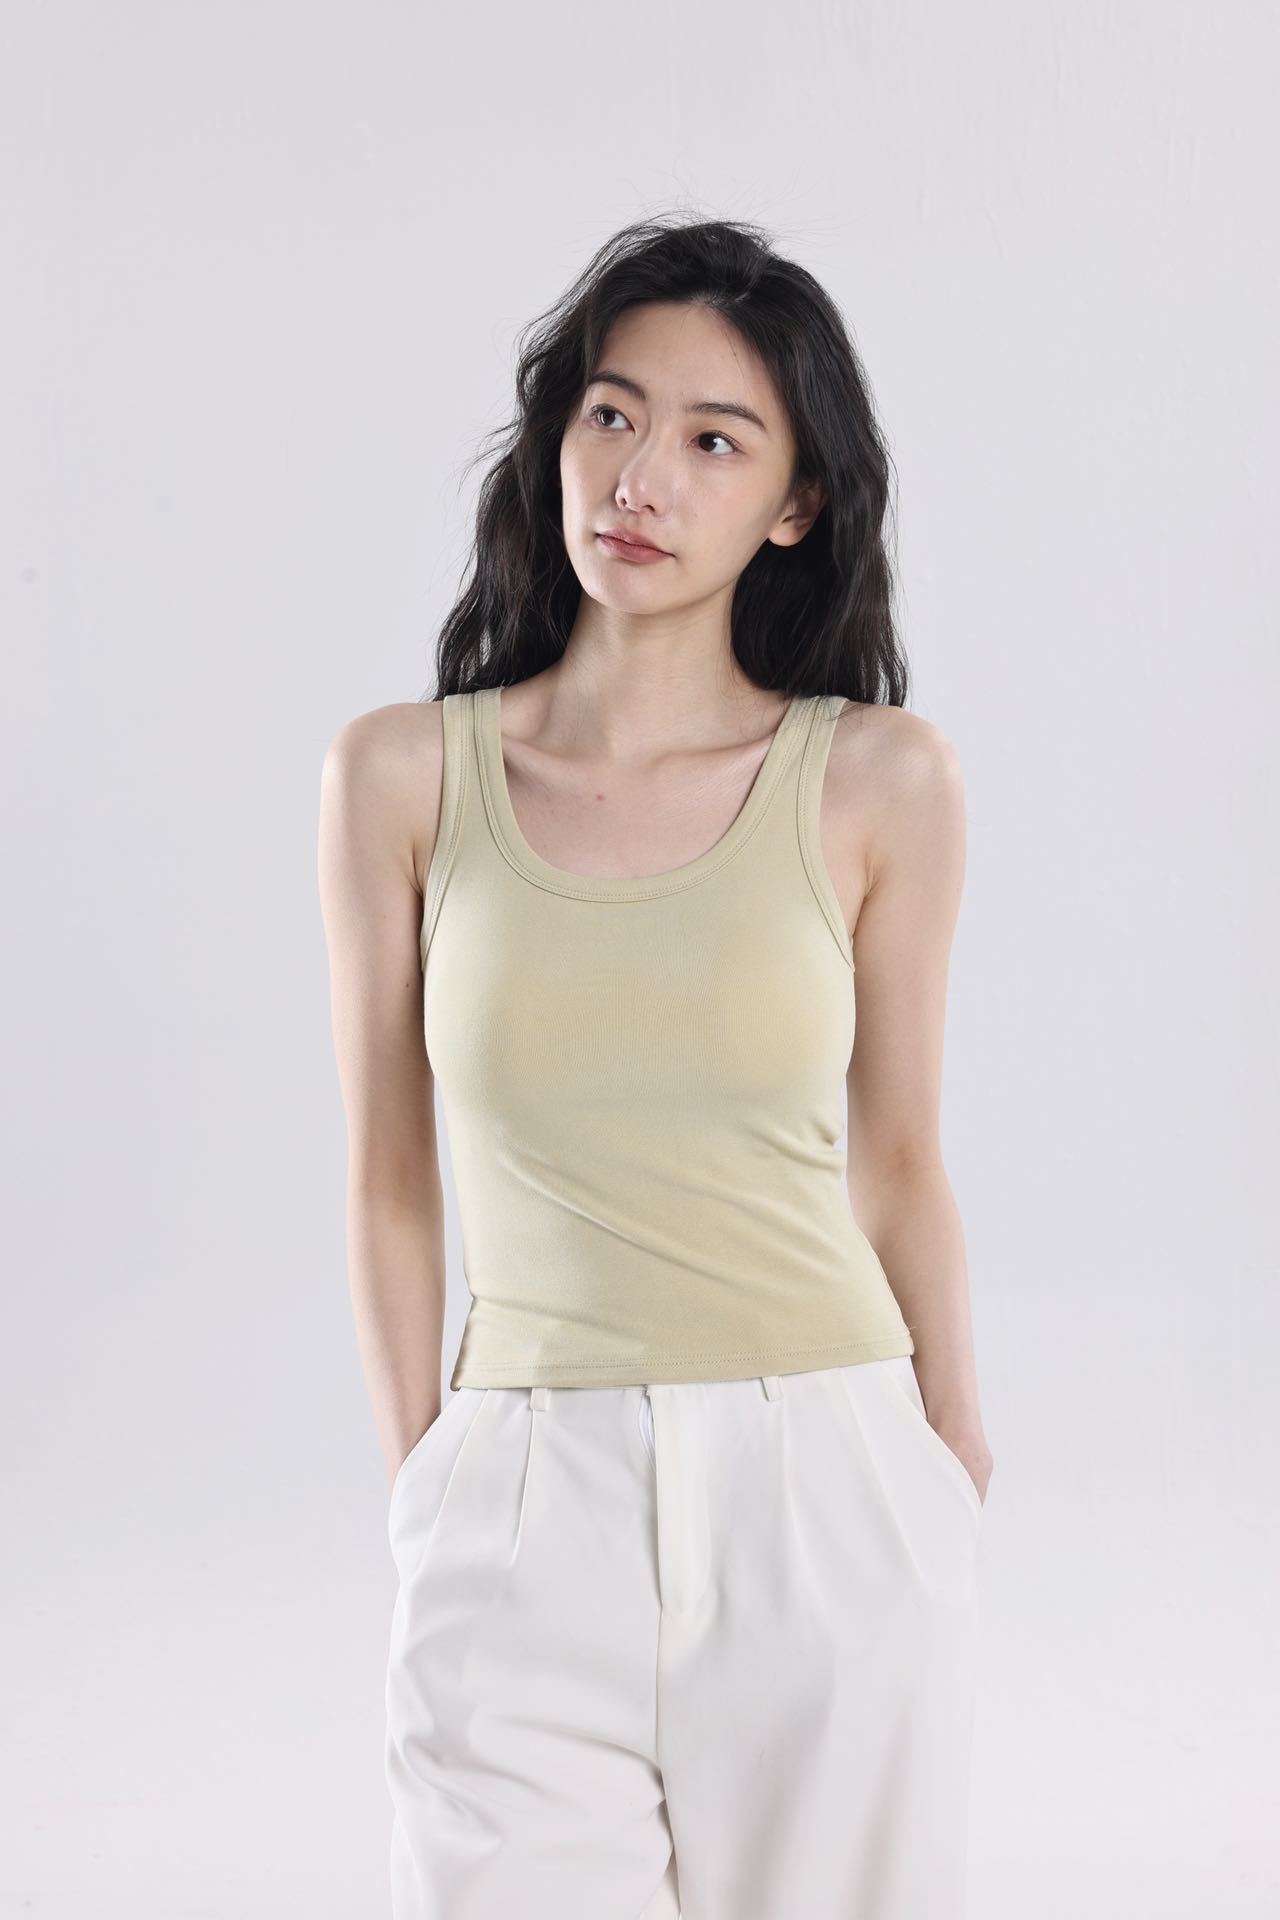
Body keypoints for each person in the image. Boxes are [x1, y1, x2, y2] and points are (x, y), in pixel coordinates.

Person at [318, 214, 994, 1920]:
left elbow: (901, 1160)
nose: (639, 477)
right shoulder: (400, 778)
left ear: (796, 504)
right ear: (557, 434)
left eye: (713, 441)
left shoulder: (881, 782)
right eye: (612, 414)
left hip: (824, 1480)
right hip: (516, 1491)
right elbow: (389, 1177)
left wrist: (949, 1458)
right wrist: (427, 1484)